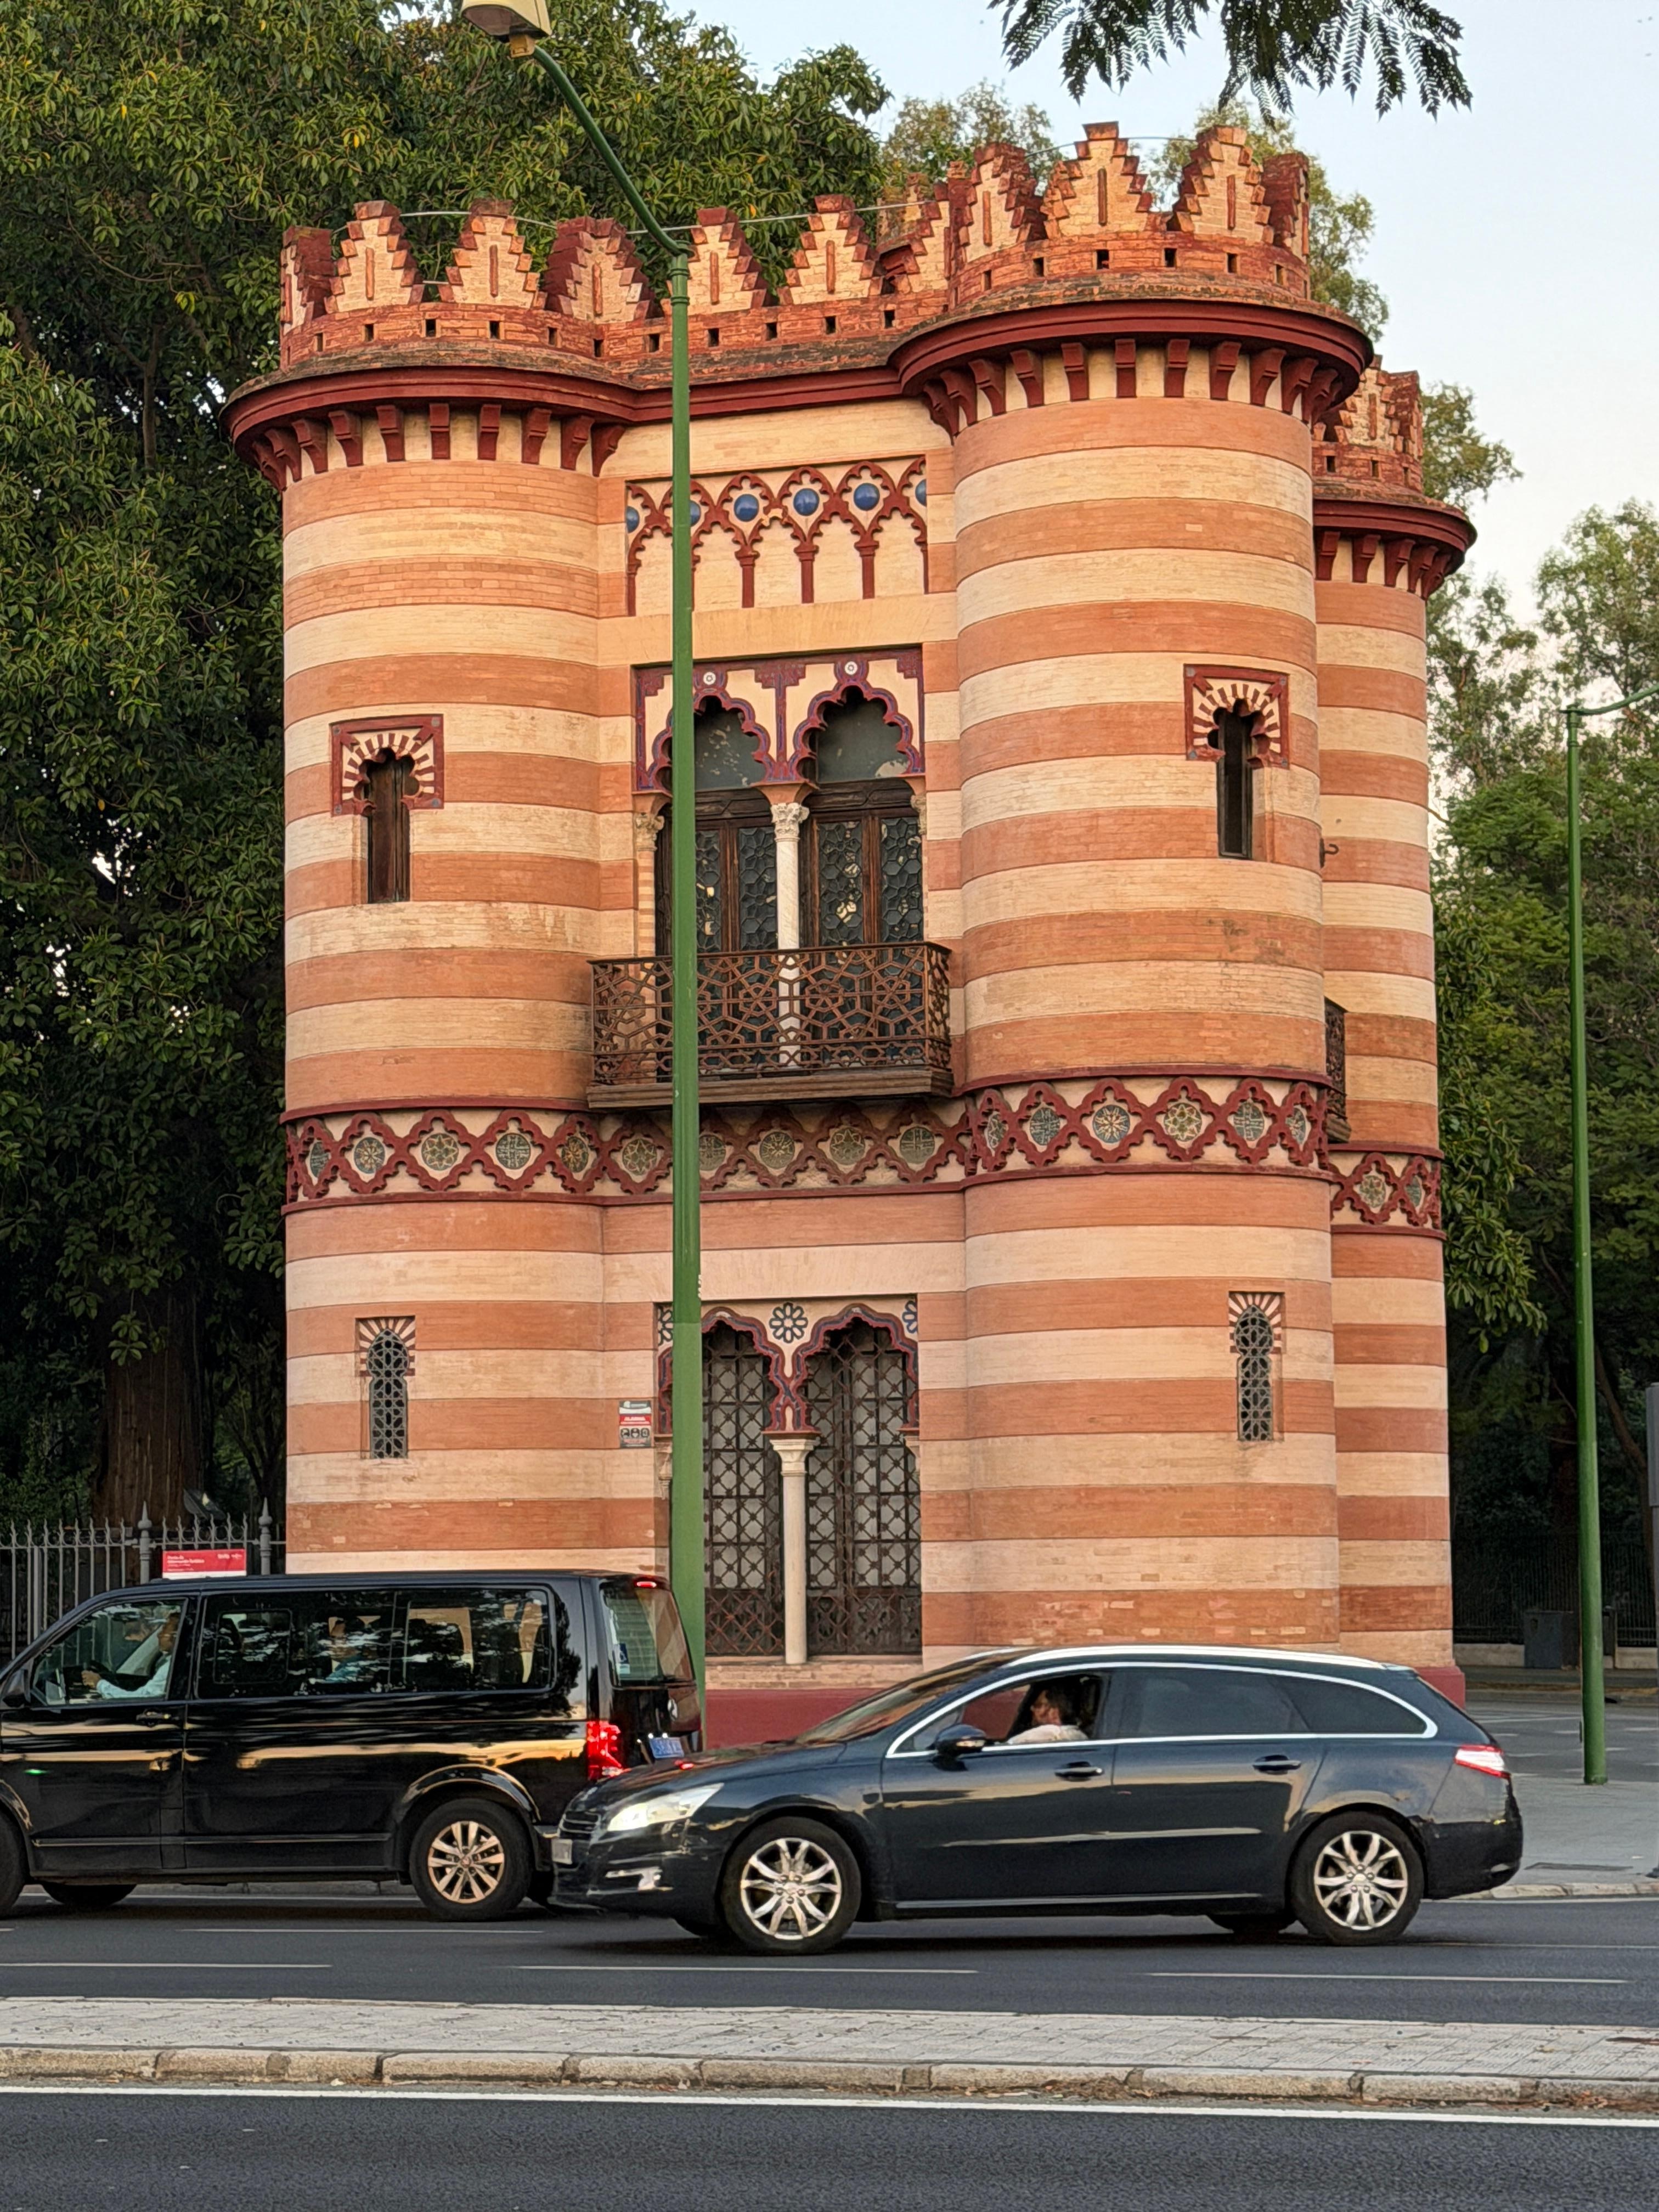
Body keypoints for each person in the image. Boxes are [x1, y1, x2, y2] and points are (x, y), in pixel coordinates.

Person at [83, 1611, 179, 1701]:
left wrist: (99, 1684)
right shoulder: (170, 1662)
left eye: (165, 1630)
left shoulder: (170, 1668)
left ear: (176, 1636)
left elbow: (140, 1699)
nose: (159, 1635)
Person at [1007, 1680, 1088, 1744]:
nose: (1032, 1708)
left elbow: (1010, 1744)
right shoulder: (1078, 1735)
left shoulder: (1052, 1733)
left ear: (1054, 1713)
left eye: (1038, 1705)